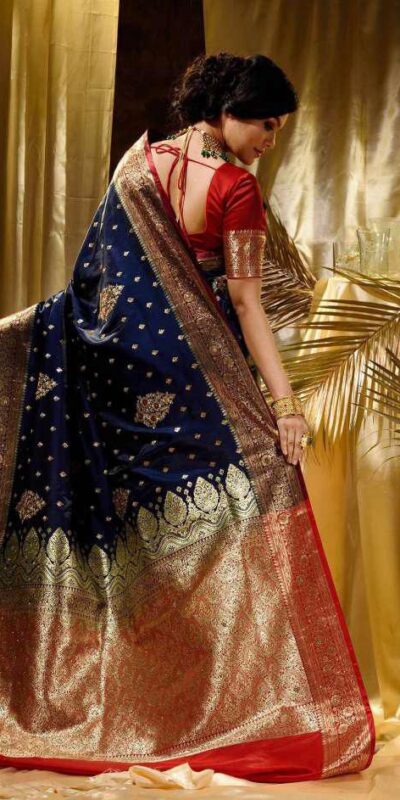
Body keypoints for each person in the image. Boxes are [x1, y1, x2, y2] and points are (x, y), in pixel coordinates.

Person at [0, 52, 374, 782]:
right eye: (266, 124)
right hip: (190, 381)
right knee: (244, 500)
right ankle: (222, 712)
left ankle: (148, 709)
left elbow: (95, 285)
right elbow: (245, 303)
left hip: (113, 378)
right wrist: (285, 405)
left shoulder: (136, 165)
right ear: (229, 110)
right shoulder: (236, 189)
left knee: (139, 537)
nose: (270, 140)